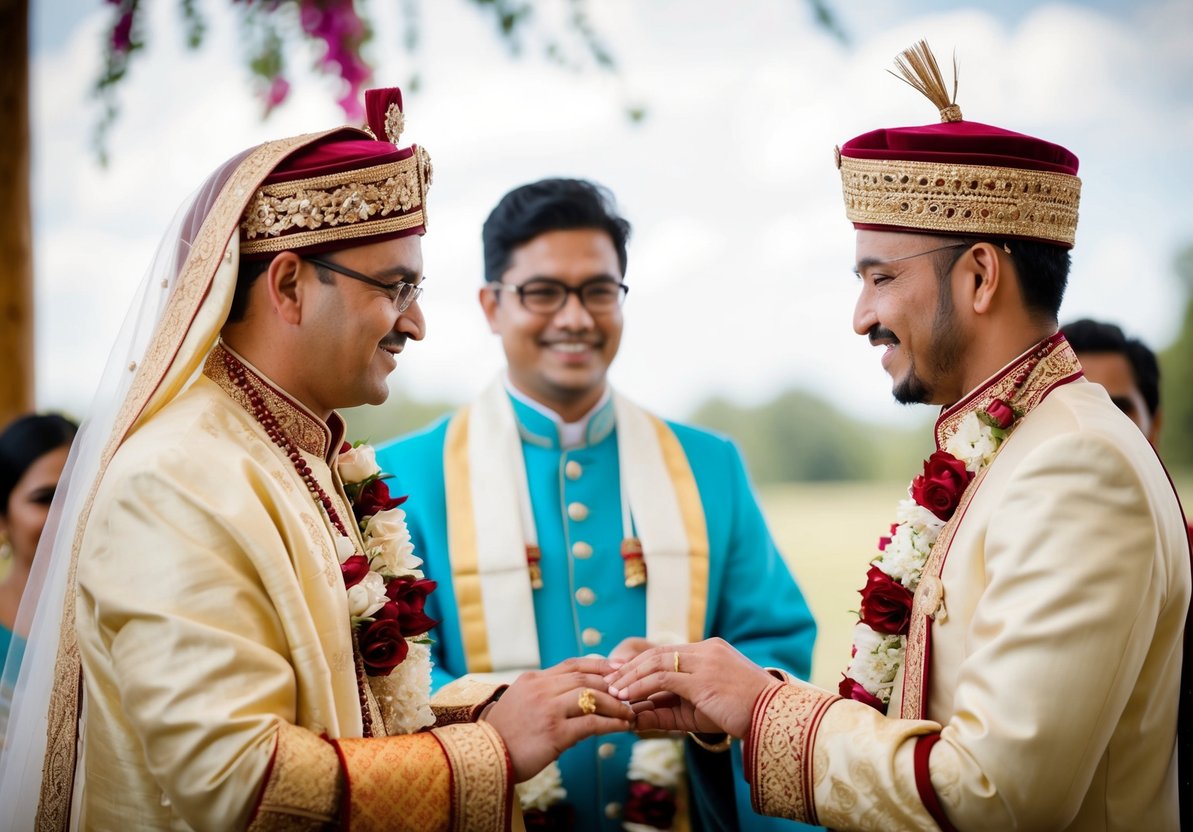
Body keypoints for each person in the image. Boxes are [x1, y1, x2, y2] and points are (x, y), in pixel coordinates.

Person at [605, 42, 1193, 830]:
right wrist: (736, 713)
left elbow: (998, 798)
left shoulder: (1074, 465)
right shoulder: (1015, 445)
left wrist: (764, 708)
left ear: (980, 276)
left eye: (880, 276)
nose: (860, 316)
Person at [0, 88, 634, 831]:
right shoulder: (173, 477)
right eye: (397, 287)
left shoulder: (295, 448)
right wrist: (491, 748)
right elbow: (237, 782)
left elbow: (345, 703)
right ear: (291, 284)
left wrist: (504, 703)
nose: (418, 324)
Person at [376, 178, 817, 830]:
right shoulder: (405, 475)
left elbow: (773, 641)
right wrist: (493, 712)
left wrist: (706, 699)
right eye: (543, 292)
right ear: (491, 305)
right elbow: (388, 675)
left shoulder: (707, 465)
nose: (575, 317)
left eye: (598, 291)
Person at [1061, 317, 1193, 712]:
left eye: (1117, 408)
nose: (1094, 430)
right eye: (1071, 408)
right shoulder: (990, 547)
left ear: (1155, 425)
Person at [0, 413, 77, 732]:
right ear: (3, 518)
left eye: (77, 493)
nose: (66, 515)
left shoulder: (116, 618)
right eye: (45, 499)